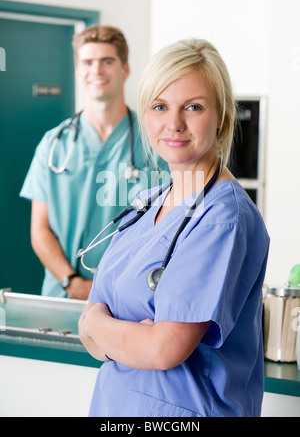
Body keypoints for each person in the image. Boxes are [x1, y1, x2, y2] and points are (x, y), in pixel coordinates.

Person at [78, 39, 270, 417]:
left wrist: (102, 325)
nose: (174, 124)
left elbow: (162, 350)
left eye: (193, 107)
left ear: (222, 117)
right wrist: (115, 331)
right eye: (160, 106)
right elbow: (88, 333)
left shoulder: (222, 218)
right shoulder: (146, 203)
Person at [20, 25, 168, 300]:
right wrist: (71, 282)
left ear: (125, 70)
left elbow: (171, 221)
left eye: (107, 61)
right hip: (64, 296)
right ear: (78, 71)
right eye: (88, 62)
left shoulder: (156, 141)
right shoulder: (53, 144)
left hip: (130, 297)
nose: (96, 70)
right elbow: (39, 229)